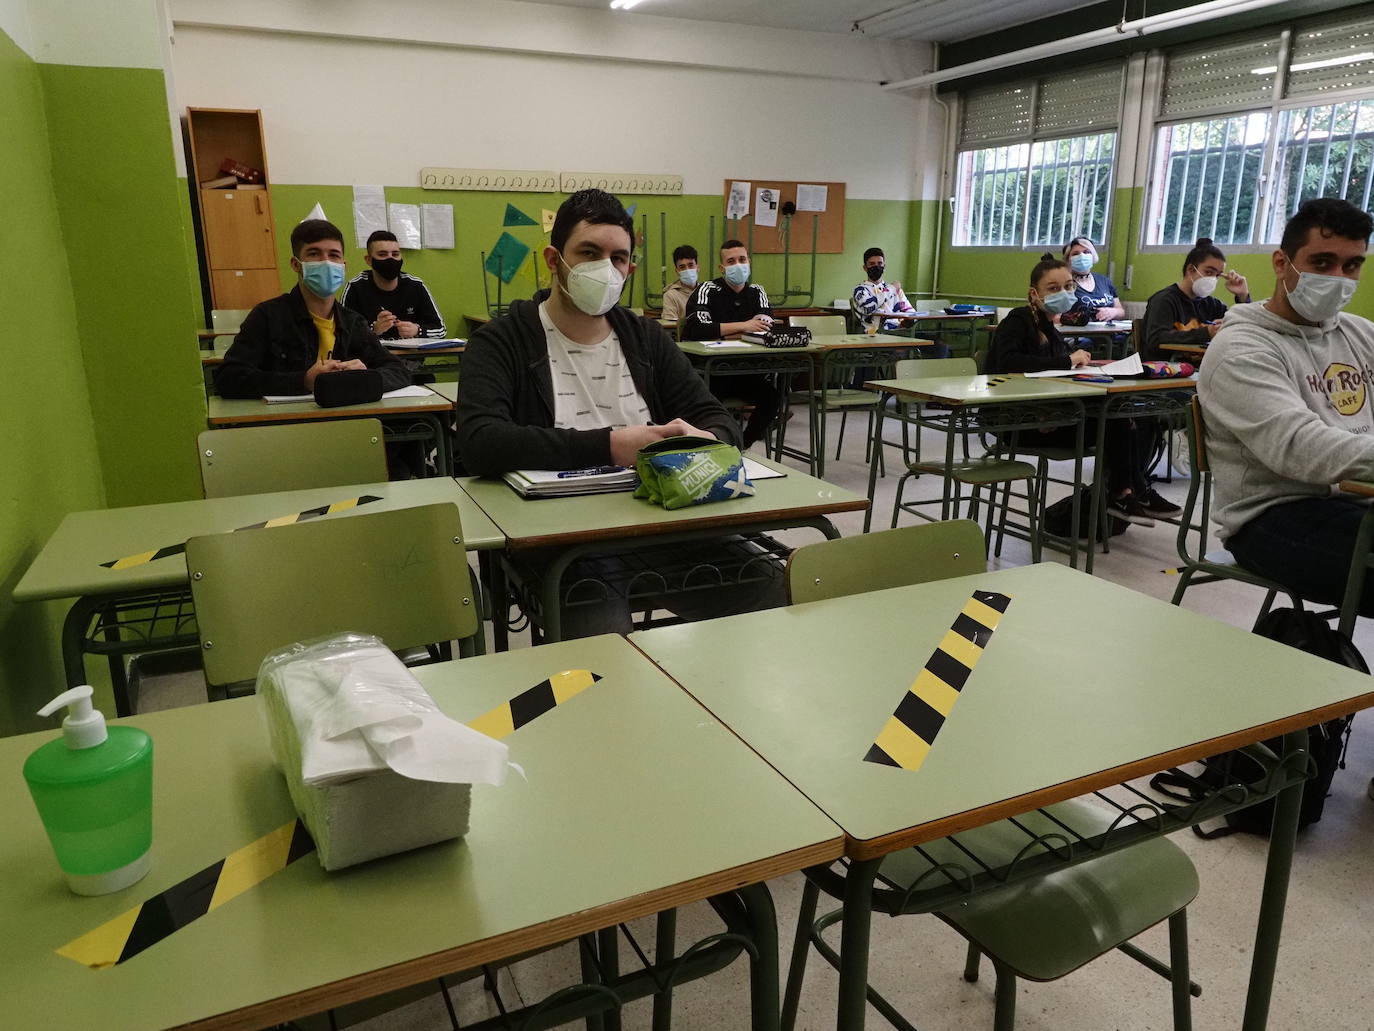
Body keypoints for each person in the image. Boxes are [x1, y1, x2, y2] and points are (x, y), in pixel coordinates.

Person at [457, 189, 784, 636]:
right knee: (606, 652)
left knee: (781, 591)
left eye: (618, 258)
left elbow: (718, 420)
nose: (605, 269)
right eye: (589, 253)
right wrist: (610, 445)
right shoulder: (502, 341)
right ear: (555, 259)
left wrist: (704, 441)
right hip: (562, 543)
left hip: (661, 526)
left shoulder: (646, 338)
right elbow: (479, 443)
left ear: (630, 267)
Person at [1198, 196, 1374, 610]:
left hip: (1355, 496)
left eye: (1352, 266)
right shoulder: (1241, 349)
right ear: (1282, 263)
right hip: (1272, 516)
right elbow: (1301, 448)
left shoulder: (1361, 334)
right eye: (1323, 262)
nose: (1339, 277)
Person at [987, 254, 1178, 524]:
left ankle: (1131, 490)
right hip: (1018, 421)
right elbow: (1010, 363)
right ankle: (1127, 492)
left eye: (1068, 287)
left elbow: (1054, 372)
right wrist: (1068, 360)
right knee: (1112, 424)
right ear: (1034, 293)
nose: (1063, 293)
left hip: (1048, 414)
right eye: (1053, 289)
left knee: (1121, 417)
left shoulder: (1050, 328)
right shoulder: (1018, 321)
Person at [215, 219, 410, 399]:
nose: (325, 262)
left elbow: (398, 370)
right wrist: (304, 381)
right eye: (314, 253)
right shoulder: (268, 316)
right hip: (285, 426)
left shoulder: (353, 322)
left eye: (334, 255)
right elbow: (229, 378)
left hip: (344, 421)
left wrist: (364, 377)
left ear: (343, 266)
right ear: (296, 264)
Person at [682, 240, 780, 448]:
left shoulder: (757, 291)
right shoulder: (707, 289)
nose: (738, 265)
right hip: (712, 373)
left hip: (748, 371)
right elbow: (699, 328)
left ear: (749, 262)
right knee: (706, 408)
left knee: (773, 397)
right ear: (722, 267)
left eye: (742, 259)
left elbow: (766, 325)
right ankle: (713, 445)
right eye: (731, 261)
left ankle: (741, 445)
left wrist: (724, 332)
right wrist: (745, 326)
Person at [1143, 237, 1251, 359]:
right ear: (1190, 269)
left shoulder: (1212, 305)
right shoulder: (1164, 300)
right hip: (1167, 370)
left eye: (1217, 275)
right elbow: (1156, 340)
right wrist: (1206, 333)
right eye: (1209, 272)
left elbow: (1243, 328)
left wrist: (1243, 296)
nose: (1213, 280)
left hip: (1202, 370)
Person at [341, 230, 447, 340]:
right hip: (371, 356)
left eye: (395, 254)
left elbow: (441, 330)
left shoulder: (415, 286)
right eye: (382, 254)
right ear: (369, 260)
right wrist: (373, 331)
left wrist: (417, 330)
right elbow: (343, 335)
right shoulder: (356, 288)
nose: (390, 259)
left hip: (408, 356)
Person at [659, 244, 699, 322]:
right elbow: (670, 327)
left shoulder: (707, 292)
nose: (687, 270)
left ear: (697, 267)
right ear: (677, 271)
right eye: (682, 267)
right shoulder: (671, 295)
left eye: (691, 265)